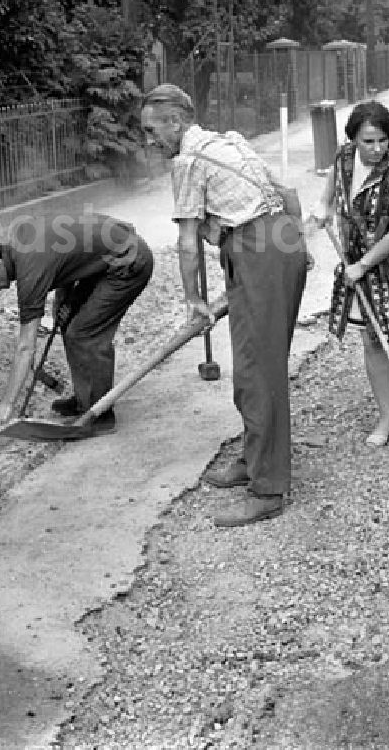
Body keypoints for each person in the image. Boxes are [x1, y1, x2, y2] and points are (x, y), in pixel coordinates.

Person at [140, 83, 308, 528]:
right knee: (251, 367)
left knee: (260, 373)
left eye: (151, 130)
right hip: (276, 243)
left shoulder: (190, 160)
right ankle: (254, 460)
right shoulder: (228, 142)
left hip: (259, 252)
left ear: (174, 122)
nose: (149, 140)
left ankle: (269, 489)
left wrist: (193, 299)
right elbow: (288, 193)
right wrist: (297, 245)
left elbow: (188, 243)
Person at [309, 100, 389, 446]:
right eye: (368, 141)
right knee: (372, 339)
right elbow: (328, 196)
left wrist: (361, 267)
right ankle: (388, 417)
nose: (376, 148)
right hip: (359, 258)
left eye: (382, 140)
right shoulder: (343, 159)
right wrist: (320, 212)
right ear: (353, 139)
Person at [0, 213, 154, 437]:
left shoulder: (28, 269)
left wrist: (7, 404)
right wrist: (65, 302)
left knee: (83, 333)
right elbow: (65, 260)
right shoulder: (15, 244)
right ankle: (85, 399)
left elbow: (26, 347)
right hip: (105, 260)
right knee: (68, 321)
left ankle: (100, 415)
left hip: (129, 261)